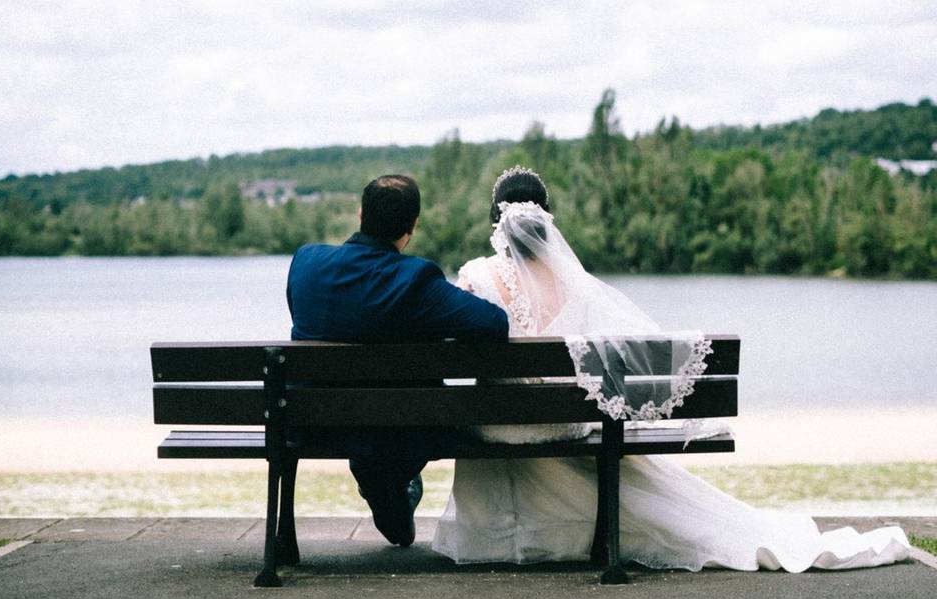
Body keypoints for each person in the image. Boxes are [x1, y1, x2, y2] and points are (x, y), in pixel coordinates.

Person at [432, 166, 911, 571]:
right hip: (560, 418)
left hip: (498, 423)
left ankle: (500, 538)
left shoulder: (475, 275)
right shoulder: (574, 284)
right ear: (547, 222)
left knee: (490, 409)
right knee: (578, 421)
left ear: (496, 221)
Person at [287, 174, 509, 547]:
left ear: (360, 214)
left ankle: (386, 491)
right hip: (397, 426)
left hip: (314, 421)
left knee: (375, 433)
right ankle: (393, 486)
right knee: (394, 426)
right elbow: (493, 324)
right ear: (412, 226)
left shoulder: (306, 262)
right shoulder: (415, 280)